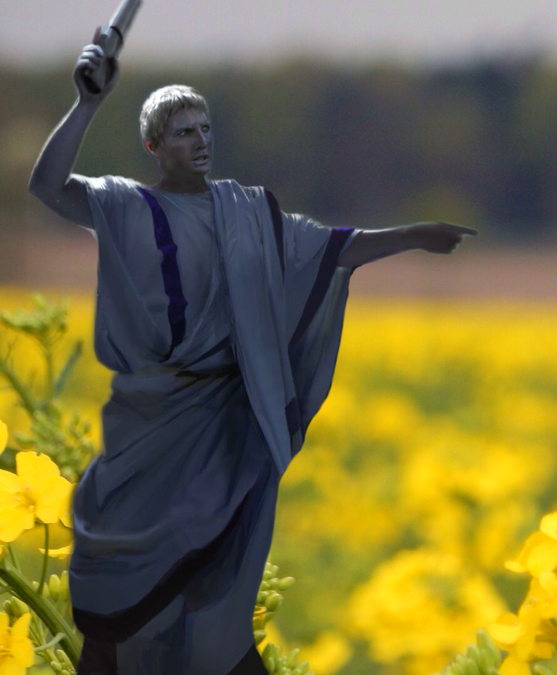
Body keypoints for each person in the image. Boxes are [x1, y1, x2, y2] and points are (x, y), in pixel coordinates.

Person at [26, 27, 477, 674]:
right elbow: (48, 187)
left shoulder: (248, 211)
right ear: (153, 146)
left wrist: (409, 234)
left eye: (206, 128)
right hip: (148, 419)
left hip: (226, 423)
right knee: (112, 577)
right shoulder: (129, 207)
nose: (201, 141)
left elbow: (330, 249)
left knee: (213, 571)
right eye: (184, 131)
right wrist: (87, 104)